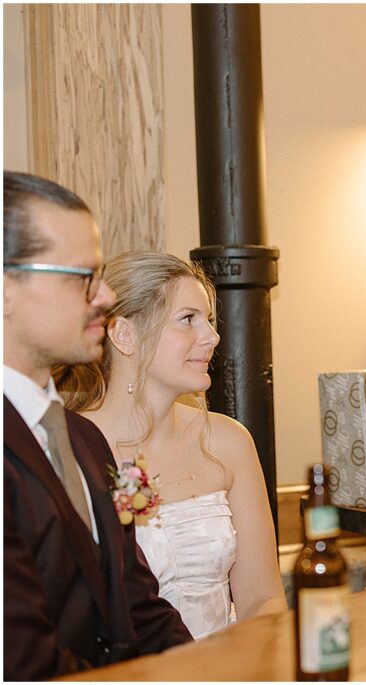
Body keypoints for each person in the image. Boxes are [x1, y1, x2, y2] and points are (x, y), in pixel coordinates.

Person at [3, 171, 193, 679]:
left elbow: (137, 605)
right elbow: (24, 663)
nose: (106, 296)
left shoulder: (82, 437)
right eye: (81, 277)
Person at [55, 250, 287, 639]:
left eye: (209, 320)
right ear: (125, 335)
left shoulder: (229, 442)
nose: (212, 337)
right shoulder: (70, 449)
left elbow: (262, 600)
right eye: (188, 320)